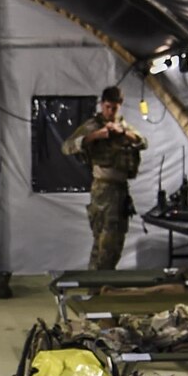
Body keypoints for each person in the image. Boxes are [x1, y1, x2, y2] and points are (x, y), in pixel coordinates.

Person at [62, 85, 148, 270]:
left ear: (120, 105)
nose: (110, 111)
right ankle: (99, 286)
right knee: (106, 242)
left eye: (114, 108)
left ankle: (97, 285)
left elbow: (143, 142)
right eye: (107, 107)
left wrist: (123, 133)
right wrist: (95, 136)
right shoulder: (93, 125)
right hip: (103, 189)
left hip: (120, 190)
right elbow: (67, 146)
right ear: (102, 104)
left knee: (112, 242)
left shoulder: (123, 127)